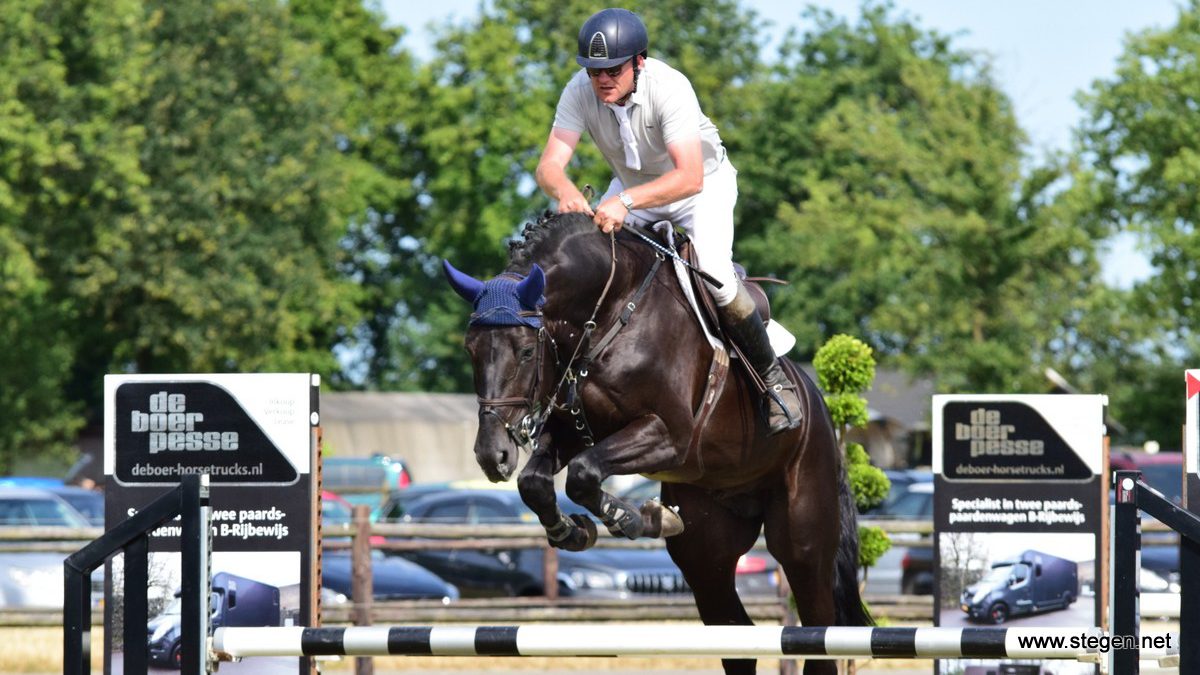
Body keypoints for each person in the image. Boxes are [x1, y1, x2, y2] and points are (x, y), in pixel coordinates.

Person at [534, 8, 802, 435]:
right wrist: (565, 191)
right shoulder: (578, 92)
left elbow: (689, 176)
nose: (602, 79)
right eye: (594, 70)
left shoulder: (671, 87)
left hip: (700, 189)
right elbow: (550, 165)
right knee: (589, 258)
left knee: (714, 274)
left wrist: (624, 201)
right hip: (633, 189)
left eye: (613, 69)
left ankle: (773, 381)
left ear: (639, 61)